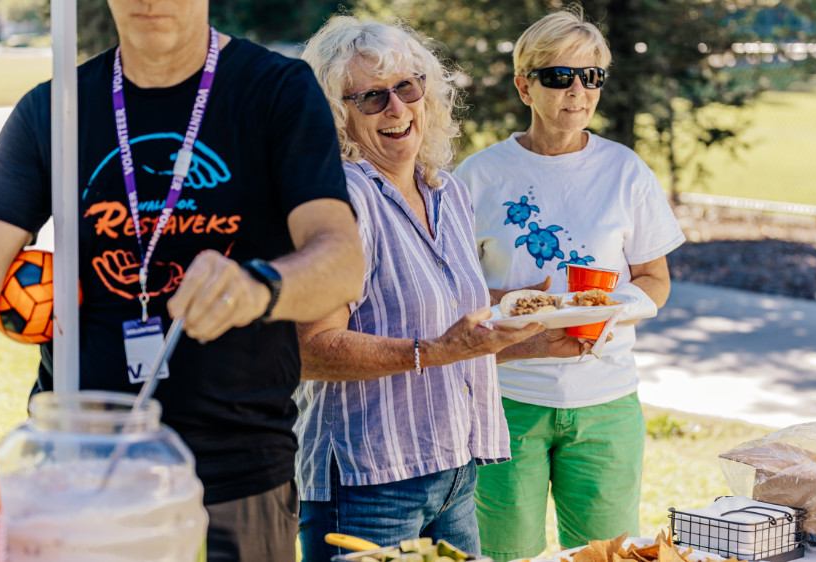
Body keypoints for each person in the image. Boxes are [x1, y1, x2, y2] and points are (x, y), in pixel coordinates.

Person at [0, 0, 363, 560]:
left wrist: (258, 287)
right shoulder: (55, 107)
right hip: (82, 470)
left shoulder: (275, 88)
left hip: (237, 468)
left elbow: (339, 258)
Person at [294, 15, 588, 562]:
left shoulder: (445, 190)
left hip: (454, 470)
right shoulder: (339, 198)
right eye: (371, 98)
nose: (397, 109)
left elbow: (456, 328)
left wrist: (539, 338)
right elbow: (307, 349)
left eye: (407, 87)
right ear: (337, 113)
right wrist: (436, 351)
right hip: (370, 481)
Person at [453, 6, 687, 561]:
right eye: (559, 76)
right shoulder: (479, 176)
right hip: (506, 403)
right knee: (506, 556)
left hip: (606, 402)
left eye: (592, 77)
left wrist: (615, 306)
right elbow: (452, 291)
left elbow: (654, 279)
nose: (577, 91)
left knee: (606, 555)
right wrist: (512, 304)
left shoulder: (626, 171)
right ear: (524, 86)